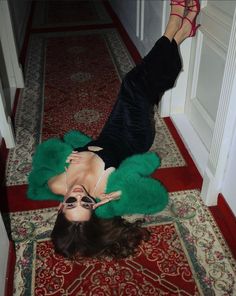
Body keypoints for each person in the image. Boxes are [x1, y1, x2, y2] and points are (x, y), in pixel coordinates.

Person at [28, 0, 200, 259]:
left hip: (110, 130)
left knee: (146, 86)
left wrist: (62, 158)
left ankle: (181, 33)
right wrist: (119, 194)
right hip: (136, 137)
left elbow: (39, 167)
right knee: (134, 84)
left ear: (61, 207)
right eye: (85, 204)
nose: (78, 197)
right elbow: (157, 199)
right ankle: (174, 25)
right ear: (93, 208)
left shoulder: (55, 184)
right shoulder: (103, 192)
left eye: (71, 204)